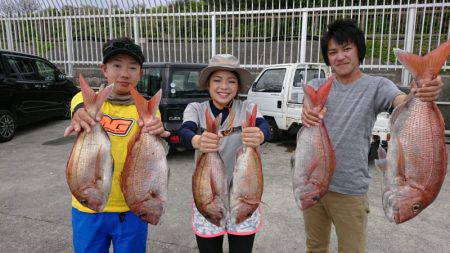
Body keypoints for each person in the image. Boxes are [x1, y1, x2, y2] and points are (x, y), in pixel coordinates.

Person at [300, 19, 443, 253]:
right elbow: (307, 109)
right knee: (314, 247)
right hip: (311, 185)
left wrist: (422, 92)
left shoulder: (377, 85)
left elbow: (401, 102)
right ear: (327, 57)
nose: (340, 57)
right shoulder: (317, 85)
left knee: (352, 250)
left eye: (347, 49)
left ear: (358, 50)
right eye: (333, 52)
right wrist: (307, 112)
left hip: (350, 190)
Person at [64, 37, 169, 253]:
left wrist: (158, 134)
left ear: (140, 73)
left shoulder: (148, 111)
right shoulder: (85, 101)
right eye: (117, 65)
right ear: (104, 69)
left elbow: (157, 156)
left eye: (132, 67)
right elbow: (79, 105)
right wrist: (80, 113)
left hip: (131, 206)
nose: (124, 73)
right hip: (87, 206)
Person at [178, 54, 270, 253]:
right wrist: (197, 140)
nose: (224, 87)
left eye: (231, 81)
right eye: (217, 80)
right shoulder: (196, 109)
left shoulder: (248, 108)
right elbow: (185, 131)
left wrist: (260, 135)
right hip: (209, 195)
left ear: (238, 86)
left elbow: (265, 127)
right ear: (208, 85)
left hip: (244, 194)